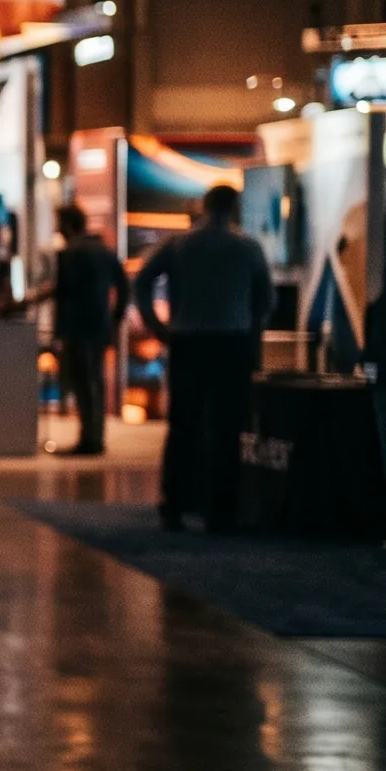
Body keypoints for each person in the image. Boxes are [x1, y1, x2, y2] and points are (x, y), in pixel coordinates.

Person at [133, 184, 272, 530]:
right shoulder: (247, 247)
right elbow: (266, 298)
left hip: (187, 339)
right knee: (227, 428)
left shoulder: (179, 244)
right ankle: (222, 510)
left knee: (183, 425)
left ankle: (174, 504)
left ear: (204, 206)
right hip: (232, 342)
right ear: (235, 208)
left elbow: (142, 282)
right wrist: (252, 331)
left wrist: (157, 326)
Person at [39, 206, 127, 456]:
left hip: (77, 328)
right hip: (98, 326)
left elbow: (62, 288)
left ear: (68, 224)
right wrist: (115, 318)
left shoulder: (72, 253)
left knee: (83, 383)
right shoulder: (104, 251)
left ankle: (90, 439)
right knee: (93, 382)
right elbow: (123, 285)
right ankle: (94, 437)